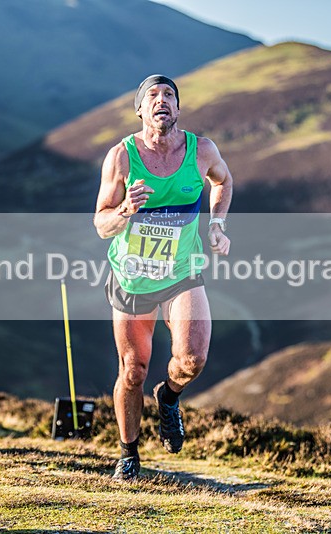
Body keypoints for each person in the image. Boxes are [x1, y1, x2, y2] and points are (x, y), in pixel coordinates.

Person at [94, 74, 233, 480]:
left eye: (169, 94)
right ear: (140, 109)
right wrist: (124, 211)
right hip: (132, 279)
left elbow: (223, 181)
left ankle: (169, 398)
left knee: (193, 359)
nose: (162, 100)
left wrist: (217, 224)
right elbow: (100, 223)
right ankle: (128, 454)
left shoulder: (201, 150)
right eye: (152, 96)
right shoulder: (121, 158)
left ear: (178, 107)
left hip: (181, 272)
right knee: (133, 370)